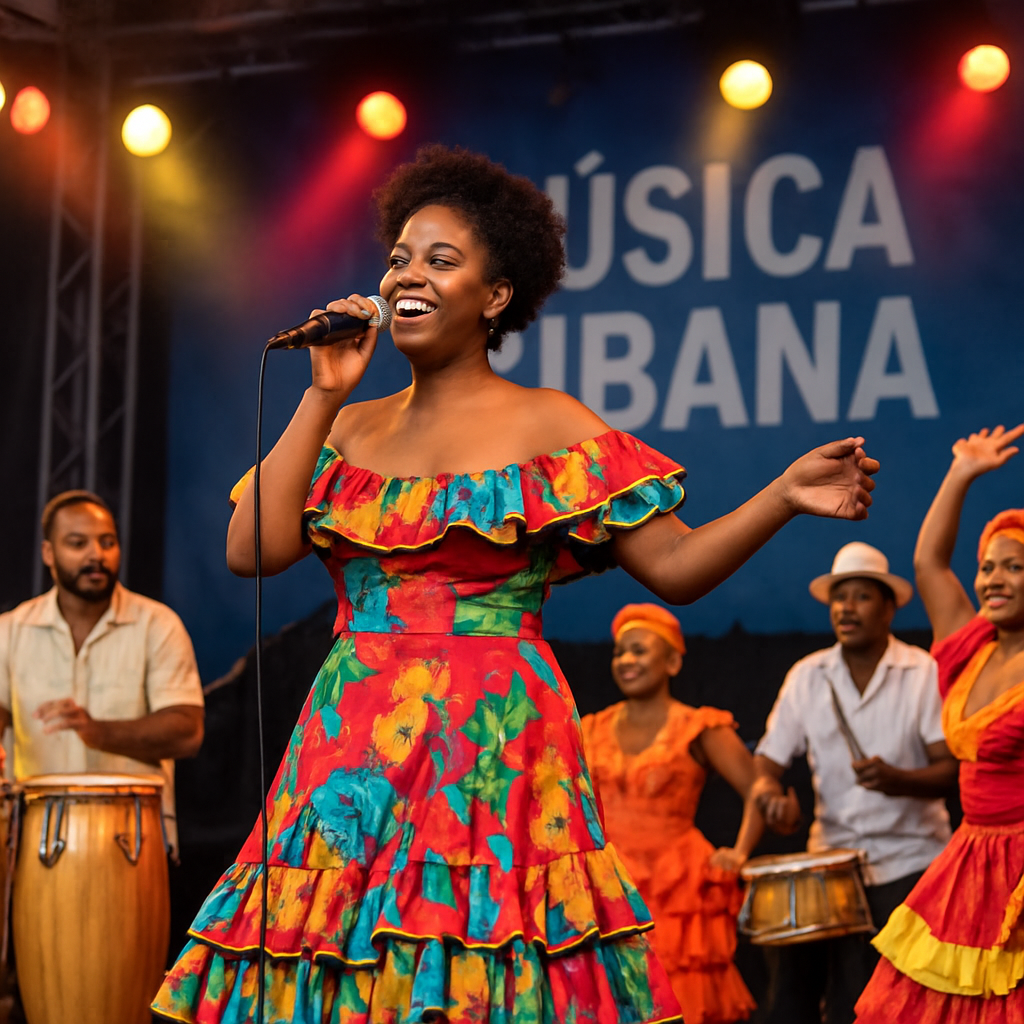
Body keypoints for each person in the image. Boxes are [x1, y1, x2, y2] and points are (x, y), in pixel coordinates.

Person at [152, 145, 879, 1024]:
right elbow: (252, 549)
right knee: (348, 965)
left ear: (496, 297)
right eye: (399, 258)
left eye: (441, 260)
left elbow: (678, 569)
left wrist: (782, 497)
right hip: (351, 751)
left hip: (494, 745)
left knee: (482, 968)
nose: (407, 275)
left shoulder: (551, 423)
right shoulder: (348, 425)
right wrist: (321, 395)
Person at [855, 423, 1024, 1023]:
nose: (993, 579)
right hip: (969, 862)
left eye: (1014, 567)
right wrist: (962, 473)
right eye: (987, 567)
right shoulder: (971, 647)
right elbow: (929, 561)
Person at [752, 541, 957, 1024]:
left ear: (889, 608)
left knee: (903, 1007)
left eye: (861, 596)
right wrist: (768, 798)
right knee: (817, 1002)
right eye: (838, 598)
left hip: (914, 863)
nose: (846, 608)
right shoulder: (807, 676)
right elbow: (766, 764)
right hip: (834, 867)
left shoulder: (922, 671)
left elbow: (951, 773)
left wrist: (898, 780)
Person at [581, 602, 763, 1023]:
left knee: (675, 995)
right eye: (619, 652)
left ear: (673, 661)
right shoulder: (590, 728)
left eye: (640, 650)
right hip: (609, 882)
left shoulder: (697, 726)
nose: (626, 660)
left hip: (676, 881)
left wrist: (739, 852)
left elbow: (758, 788)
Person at [0, 490, 205, 854]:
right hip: (32, 840)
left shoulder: (158, 625)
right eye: (78, 543)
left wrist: (96, 731)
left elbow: (187, 732)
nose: (96, 554)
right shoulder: (10, 630)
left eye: (107, 542)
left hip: (132, 840)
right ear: (48, 553)